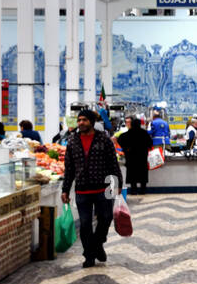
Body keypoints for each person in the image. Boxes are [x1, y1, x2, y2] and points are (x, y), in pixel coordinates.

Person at [61, 108, 123, 268]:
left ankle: (97, 244)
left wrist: (118, 185)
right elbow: (69, 168)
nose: (81, 123)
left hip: (103, 188)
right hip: (82, 189)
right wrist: (65, 189)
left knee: (106, 218)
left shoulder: (104, 139)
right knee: (85, 223)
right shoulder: (73, 141)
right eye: (79, 120)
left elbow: (113, 164)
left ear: (92, 122)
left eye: (84, 120)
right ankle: (89, 255)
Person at [118, 116, 153, 195]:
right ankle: (142, 190)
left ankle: (133, 190)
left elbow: (119, 140)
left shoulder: (127, 134)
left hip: (131, 157)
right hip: (142, 157)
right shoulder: (144, 133)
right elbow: (150, 143)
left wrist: (125, 148)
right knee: (143, 174)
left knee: (132, 174)